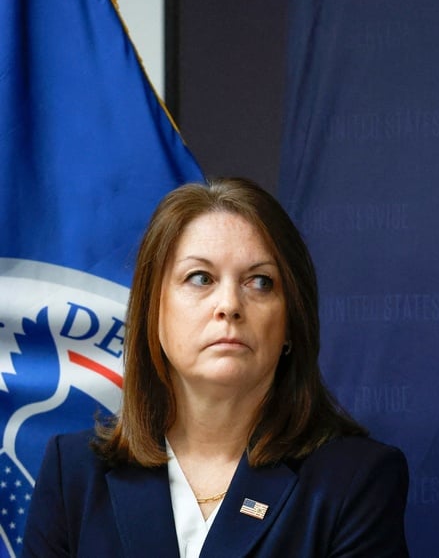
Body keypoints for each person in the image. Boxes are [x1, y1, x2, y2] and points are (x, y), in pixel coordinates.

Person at [24, 177, 410, 557]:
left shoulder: (355, 480)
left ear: (292, 321)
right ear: (154, 312)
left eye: (260, 282)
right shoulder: (72, 473)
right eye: (200, 278)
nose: (229, 304)